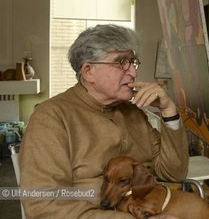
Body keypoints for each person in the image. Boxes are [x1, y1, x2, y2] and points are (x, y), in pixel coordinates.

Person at [19, 24, 189, 218]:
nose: (133, 73)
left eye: (132, 62)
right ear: (89, 71)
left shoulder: (133, 112)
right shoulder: (52, 117)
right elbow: (44, 205)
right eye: (120, 62)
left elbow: (174, 174)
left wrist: (169, 111)